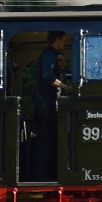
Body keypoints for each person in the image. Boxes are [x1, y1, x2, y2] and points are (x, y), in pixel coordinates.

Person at [33, 31, 69, 180]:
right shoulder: (49, 54)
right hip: (45, 102)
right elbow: (47, 76)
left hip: (45, 101)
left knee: (48, 137)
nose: (65, 43)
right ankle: (41, 175)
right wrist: (66, 87)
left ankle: (45, 173)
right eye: (64, 40)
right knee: (46, 138)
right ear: (58, 39)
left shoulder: (50, 54)